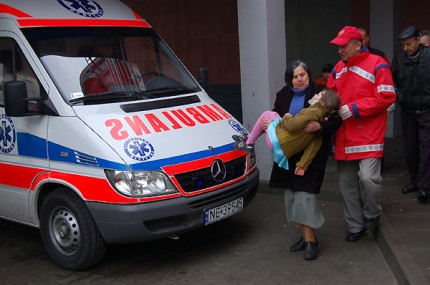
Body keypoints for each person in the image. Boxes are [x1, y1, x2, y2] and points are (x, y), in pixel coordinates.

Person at [266, 60, 342, 260]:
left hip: (311, 153)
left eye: (303, 75)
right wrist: (270, 122)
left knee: (305, 196)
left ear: (308, 74)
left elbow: (337, 118)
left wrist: (320, 127)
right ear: (289, 79)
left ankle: (310, 241)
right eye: (295, 76)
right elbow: (277, 116)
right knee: (291, 196)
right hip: (288, 153)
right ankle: (306, 235)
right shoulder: (283, 94)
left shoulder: (321, 91)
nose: (299, 80)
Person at [326, 26, 396, 242]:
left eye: (344, 46)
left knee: (369, 178)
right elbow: (330, 93)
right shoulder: (338, 68)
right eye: (338, 46)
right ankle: (355, 226)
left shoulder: (378, 64)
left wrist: (355, 109)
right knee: (346, 184)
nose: (340, 50)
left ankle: (372, 214)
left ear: (358, 45)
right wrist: (323, 104)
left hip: (369, 134)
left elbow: (387, 96)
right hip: (344, 135)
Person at [233, 89, 340, 176]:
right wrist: (302, 165)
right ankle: (248, 139)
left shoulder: (312, 112)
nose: (315, 94)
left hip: (278, 141)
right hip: (283, 149)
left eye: (319, 94)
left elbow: (292, 126)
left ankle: (249, 143)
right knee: (273, 116)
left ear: (322, 102)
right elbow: (313, 148)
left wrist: (285, 118)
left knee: (267, 114)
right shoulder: (319, 122)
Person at [391, 25, 430, 203]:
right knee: (410, 148)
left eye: (408, 44)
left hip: (426, 109)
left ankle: (424, 186)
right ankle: (414, 180)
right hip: (407, 109)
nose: (405, 48)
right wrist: (400, 97)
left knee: (425, 148)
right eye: (403, 45)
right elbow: (393, 82)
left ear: (417, 40)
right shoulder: (399, 60)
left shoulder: (428, 56)